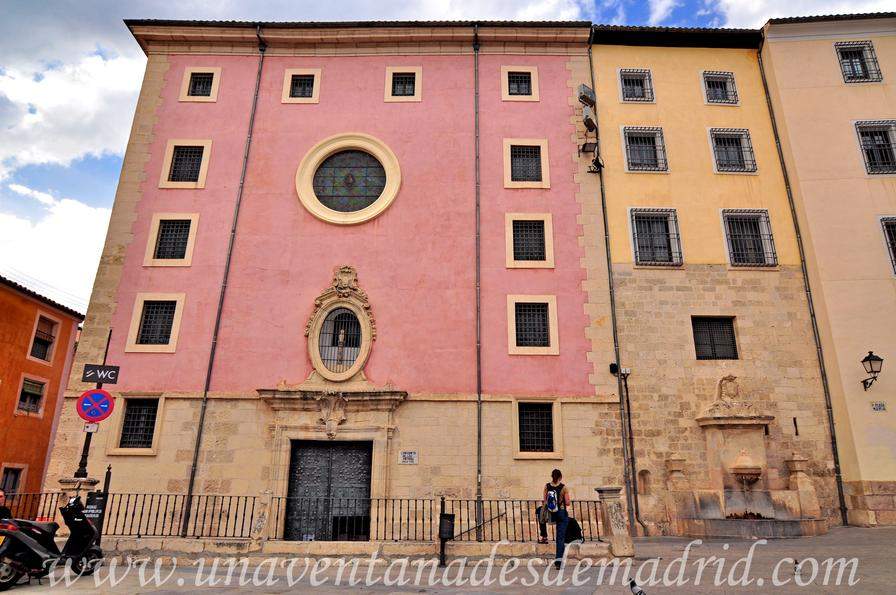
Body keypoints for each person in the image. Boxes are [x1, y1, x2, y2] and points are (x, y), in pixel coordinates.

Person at [536, 469, 571, 568]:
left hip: (551, 513)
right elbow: (567, 502)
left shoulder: (547, 486)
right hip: (561, 513)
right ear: (560, 477)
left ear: (552, 476)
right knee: (560, 538)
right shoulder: (564, 487)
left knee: (539, 511)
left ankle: (544, 535)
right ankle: (558, 563)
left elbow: (544, 501)